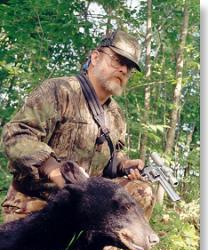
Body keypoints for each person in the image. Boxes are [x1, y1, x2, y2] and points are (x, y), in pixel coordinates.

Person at [1, 30, 155, 227]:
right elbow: (16, 136)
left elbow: (111, 160)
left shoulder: (117, 116)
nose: (123, 70)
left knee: (140, 191)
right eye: (117, 60)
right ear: (95, 57)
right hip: (35, 203)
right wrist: (54, 169)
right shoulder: (60, 90)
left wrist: (123, 165)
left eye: (129, 67)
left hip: (83, 208)